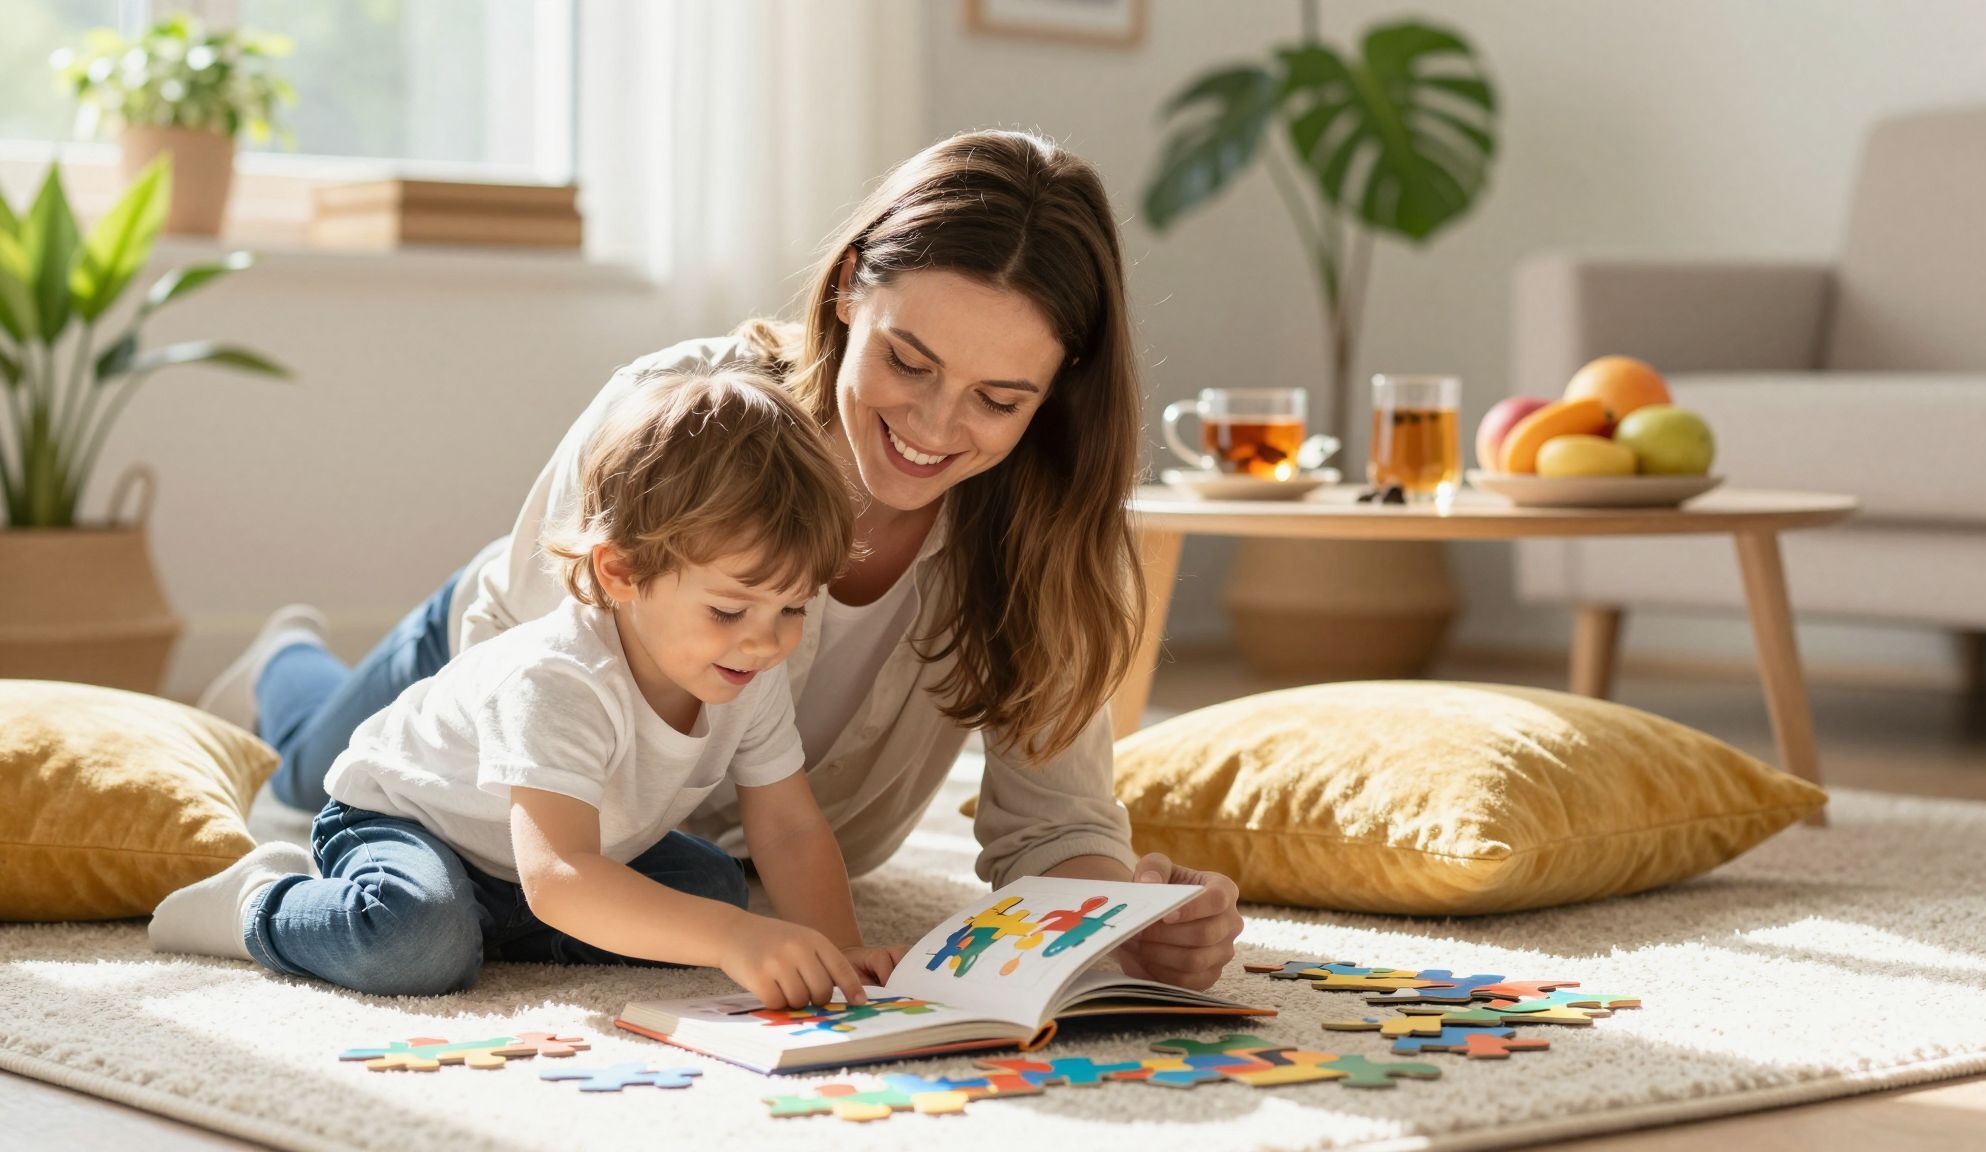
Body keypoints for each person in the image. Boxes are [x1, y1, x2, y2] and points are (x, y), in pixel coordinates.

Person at [199, 129, 1245, 991]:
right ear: (849, 288)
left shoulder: (1056, 537)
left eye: (999, 400)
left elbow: (1052, 824)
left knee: (683, 894)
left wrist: (1117, 921)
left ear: (1057, 389)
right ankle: (284, 667)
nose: (933, 427)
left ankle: (291, 670)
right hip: (479, 702)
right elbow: (518, 704)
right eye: (907, 361)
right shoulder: (676, 415)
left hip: (662, 840)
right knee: (302, 782)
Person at [155, 370, 902, 1005]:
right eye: (729, 611)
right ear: (622, 573)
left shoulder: (747, 666)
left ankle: (489, 930)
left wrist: (840, 947)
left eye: (792, 608)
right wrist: (731, 939)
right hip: (413, 823)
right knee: (417, 943)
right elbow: (562, 875)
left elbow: (788, 827)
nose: (767, 641)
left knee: (711, 890)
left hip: (542, 862)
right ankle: (262, 899)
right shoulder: (560, 678)